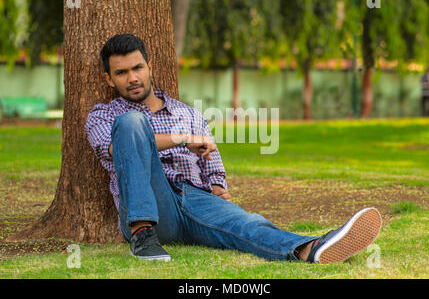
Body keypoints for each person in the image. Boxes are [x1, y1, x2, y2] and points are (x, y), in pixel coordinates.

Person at [84, 34, 382, 264]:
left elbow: (212, 161)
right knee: (132, 122)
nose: (133, 78)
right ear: (109, 79)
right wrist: (181, 138)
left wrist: (217, 187)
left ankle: (309, 248)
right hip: (154, 207)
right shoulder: (106, 116)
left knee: (246, 222)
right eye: (122, 73)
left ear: (150, 68)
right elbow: (111, 148)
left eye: (137, 68)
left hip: (195, 198)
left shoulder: (188, 114)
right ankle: (143, 236)